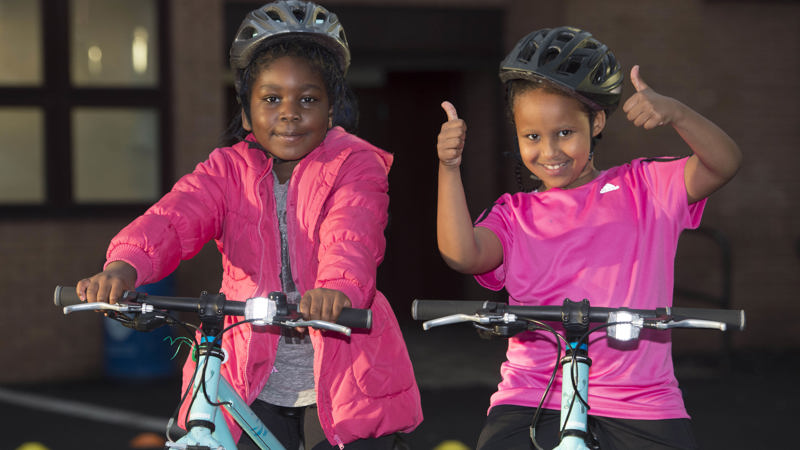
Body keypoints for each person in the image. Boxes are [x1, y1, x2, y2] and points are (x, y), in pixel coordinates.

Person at [75, 1, 422, 448]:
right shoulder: (227, 170)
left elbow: (352, 233)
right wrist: (125, 266)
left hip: (340, 373)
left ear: (332, 110)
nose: (290, 113)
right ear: (245, 113)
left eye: (308, 99)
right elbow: (175, 215)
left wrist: (336, 289)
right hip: (247, 371)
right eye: (272, 98)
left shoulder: (354, 164)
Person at [436, 26, 741, 449]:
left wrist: (677, 113)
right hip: (534, 395)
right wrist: (449, 168)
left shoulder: (646, 187)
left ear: (595, 121)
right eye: (532, 137)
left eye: (564, 132)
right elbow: (462, 254)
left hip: (640, 401)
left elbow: (723, 163)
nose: (550, 152)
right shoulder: (513, 213)